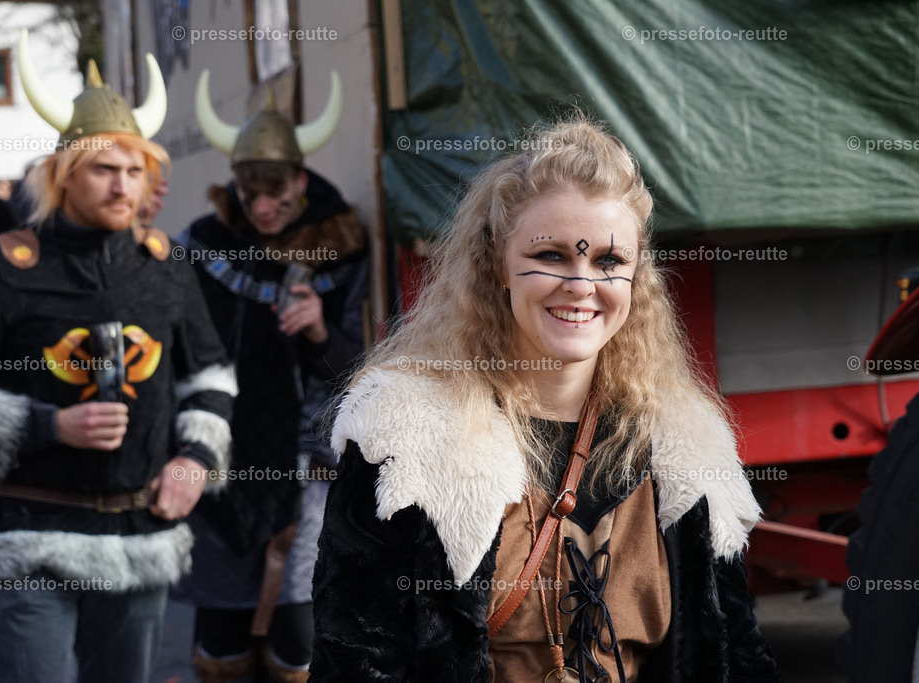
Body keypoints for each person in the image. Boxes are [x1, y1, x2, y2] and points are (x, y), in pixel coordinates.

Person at [310, 118, 781, 682]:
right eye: (552, 256)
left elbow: (736, 654)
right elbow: (355, 660)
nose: (581, 284)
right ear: (497, 264)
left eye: (609, 261)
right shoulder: (405, 434)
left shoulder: (686, 446)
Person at [0, 31, 236, 683]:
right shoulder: (2, 264)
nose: (123, 186)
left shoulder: (167, 266)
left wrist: (195, 460)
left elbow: (211, 376)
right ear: (64, 173)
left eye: (134, 170)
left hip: (139, 537)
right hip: (33, 533)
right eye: (103, 168)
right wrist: (46, 425)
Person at [175, 70, 366, 682]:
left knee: (297, 634)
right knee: (222, 632)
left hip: (304, 471)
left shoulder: (343, 247)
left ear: (300, 182)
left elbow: (362, 373)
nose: (262, 204)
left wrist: (319, 333)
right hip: (220, 464)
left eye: (275, 189)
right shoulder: (200, 245)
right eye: (249, 189)